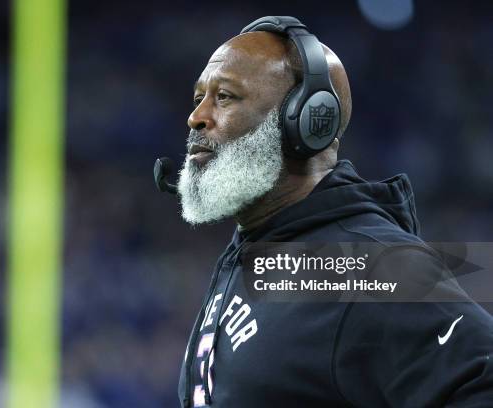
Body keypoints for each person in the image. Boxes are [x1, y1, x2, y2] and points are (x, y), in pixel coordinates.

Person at [175, 16, 493, 407]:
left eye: (224, 97)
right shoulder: (256, 248)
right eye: (198, 98)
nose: (197, 117)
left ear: (308, 121)